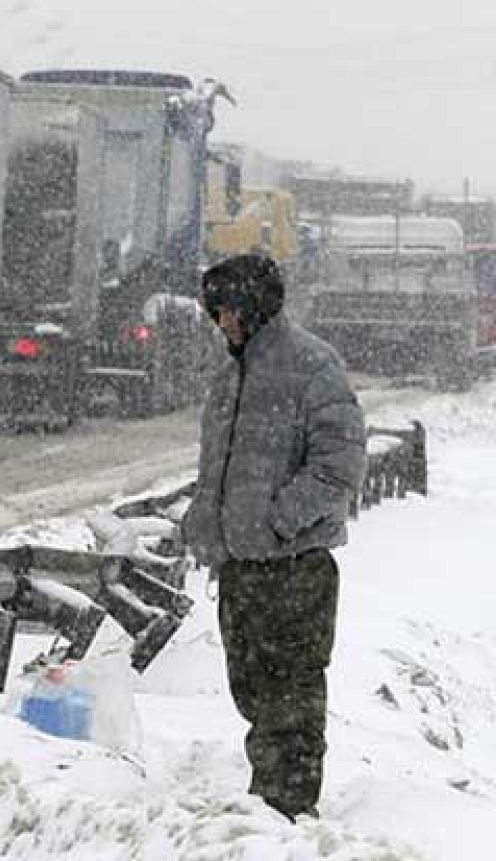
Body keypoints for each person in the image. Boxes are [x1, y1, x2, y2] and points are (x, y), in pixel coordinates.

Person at [183, 252, 367, 821]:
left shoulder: (312, 366)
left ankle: (288, 810)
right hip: (240, 567)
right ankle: (270, 802)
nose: (221, 324)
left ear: (257, 307)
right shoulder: (230, 373)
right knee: (253, 691)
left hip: (293, 567)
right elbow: (220, 462)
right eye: (215, 312)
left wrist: (278, 522)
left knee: (291, 693)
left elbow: (339, 465)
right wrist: (203, 521)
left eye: (229, 310)